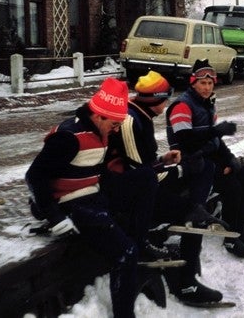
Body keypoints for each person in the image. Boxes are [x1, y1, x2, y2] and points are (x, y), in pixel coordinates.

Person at [26, 78, 168, 318]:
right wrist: (54, 216)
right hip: (73, 203)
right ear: (99, 116)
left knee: (146, 177)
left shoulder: (100, 131)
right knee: (125, 252)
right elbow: (35, 176)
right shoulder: (69, 137)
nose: (116, 129)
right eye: (114, 124)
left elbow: (97, 171)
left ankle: (140, 241)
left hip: (94, 193)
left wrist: (156, 167)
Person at [105, 71, 224, 305]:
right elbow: (138, 171)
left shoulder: (142, 115)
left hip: (139, 183)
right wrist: (174, 171)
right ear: (155, 100)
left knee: (202, 174)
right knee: (190, 205)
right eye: (165, 99)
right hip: (125, 191)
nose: (167, 104)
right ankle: (186, 282)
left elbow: (144, 163)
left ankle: (189, 269)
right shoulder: (131, 120)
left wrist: (163, 160)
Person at [166, 59, 244, 260]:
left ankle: (241, 231)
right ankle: (230, 239)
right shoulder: (182, 105)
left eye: (210, 83)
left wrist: (229, 158)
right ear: (193, 83)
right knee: (233, 187)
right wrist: (216, 131)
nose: (206, 87)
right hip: (193, 160)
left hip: (211, 155)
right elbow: (185, 140)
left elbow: (215, 140)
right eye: (202, 83)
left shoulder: (207, 103)